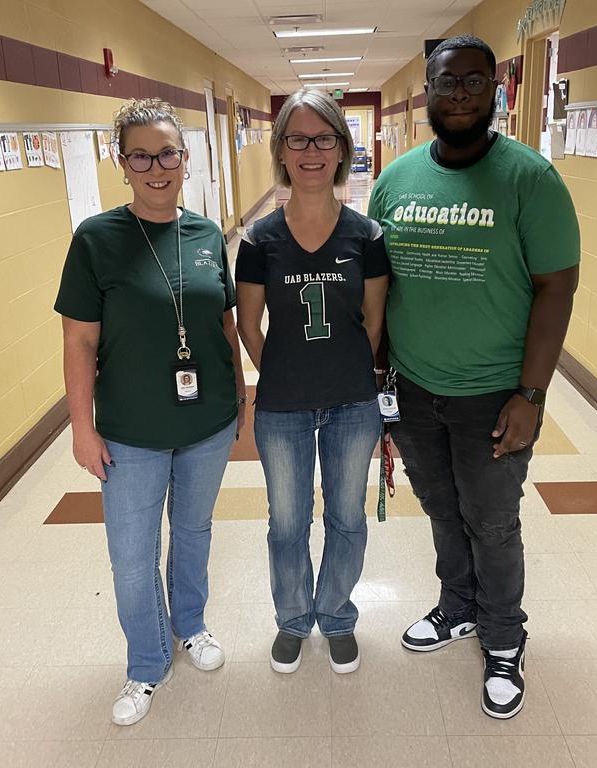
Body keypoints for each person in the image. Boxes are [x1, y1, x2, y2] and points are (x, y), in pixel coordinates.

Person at [367, 35, 580, 719]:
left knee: (491, 521)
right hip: (415, 386)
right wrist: (379, 379)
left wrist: (531, 393)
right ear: (426, 88)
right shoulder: (395, 181)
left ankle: (504, 639)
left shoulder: (530, 179)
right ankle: (457, 606)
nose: (458, 94)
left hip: (495, 391)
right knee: (440, 508)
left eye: (473, 82)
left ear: (496, 90)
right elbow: (378, 287)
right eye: (445, 81)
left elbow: (557, 287)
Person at [54, 98, 246, 726]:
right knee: (132, 554)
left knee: (193, 532)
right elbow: (79, 339)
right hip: (130, 430)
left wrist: (238, 392)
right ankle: (146, 661)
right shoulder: (96, 239)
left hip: (206, 421)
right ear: (123, 162)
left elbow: (223, 318)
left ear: (186, 159)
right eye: (142, 155)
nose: (157, 166)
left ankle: (190, 624)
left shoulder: (208, 232)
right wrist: (81, 427)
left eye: (168, 153)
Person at [236, 89, 389, 676]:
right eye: (297, 139)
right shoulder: (258, 240)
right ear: (280, 150)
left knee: (346, 517)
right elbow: (249, 323)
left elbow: (374, 321)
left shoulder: (366, 236)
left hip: (353, 404)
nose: (311, 151)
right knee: (287, 522)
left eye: (324, 138)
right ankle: (294, 620)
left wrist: (344, 368)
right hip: (282, 407)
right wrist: (279, 368)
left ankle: (338, 615)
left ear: (341, 149)